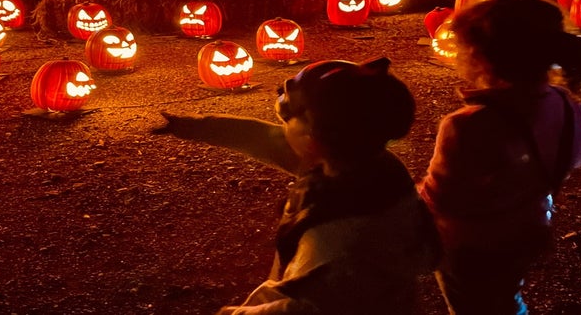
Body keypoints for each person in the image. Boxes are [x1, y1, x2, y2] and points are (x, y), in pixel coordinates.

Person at [151, 56, 439, 315]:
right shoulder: (362, 161)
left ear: (312, 140)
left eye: (289, 120)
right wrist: (193, 126)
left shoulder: (341, 236)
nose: (282, 129)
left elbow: (311, 307)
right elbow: (262, 138)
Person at [417, 0, 581, 315]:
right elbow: (571, 155)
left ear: (478, 57)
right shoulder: (567, 106)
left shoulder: (468, 125)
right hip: (528, 230)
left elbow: (442, 200)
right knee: (504, 297)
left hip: (471, 246)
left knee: (475, 305)